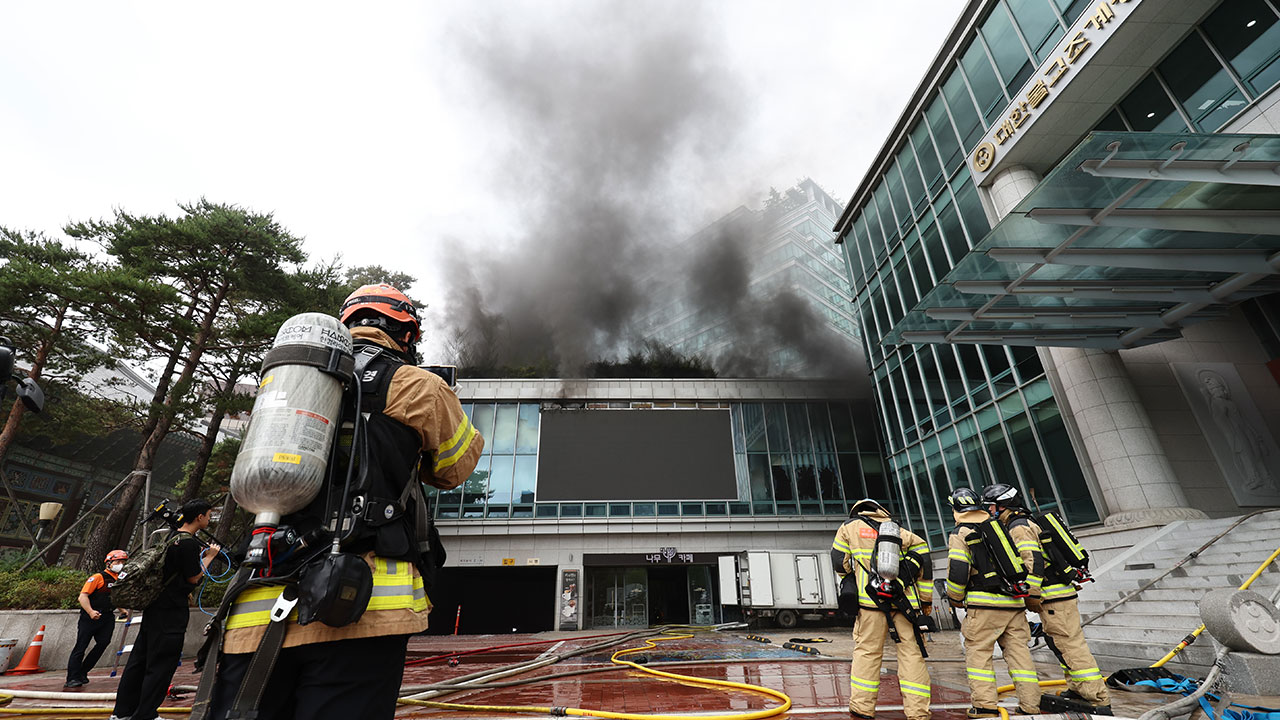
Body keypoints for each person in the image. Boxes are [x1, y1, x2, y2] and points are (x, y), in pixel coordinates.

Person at [206, 283, 484, 720]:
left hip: (255, 608)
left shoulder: (295, 382)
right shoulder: (417, 385)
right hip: (362, 606)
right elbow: (454, 469)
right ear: (407, 334)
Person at [982, 484, 1110, 713]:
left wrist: (1031, 595)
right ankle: (1078, 688)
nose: (990, 511)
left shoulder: (1019, 527)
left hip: (1054, 597)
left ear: (1003, 505)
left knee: (1070, 646)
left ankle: (1096, 697)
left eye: (992, 506)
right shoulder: (1023, 522)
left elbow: (1032, 561)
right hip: (1055, 597)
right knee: (1059, 644)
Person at [110, 499, 219, 720]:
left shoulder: (171, 538)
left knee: (139, 662)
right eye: (208, 515)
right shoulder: (188, 544)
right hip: (171, 612)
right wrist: (209, 558)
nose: (209, 519)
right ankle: (146, 714)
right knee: (161, 666)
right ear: (199, 517)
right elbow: (193, 578)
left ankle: (121, 713)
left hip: (154, 607)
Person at [831, 498, 932, 720]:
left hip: (871, 605)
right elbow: (924, 561)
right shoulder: (898, 530)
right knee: (911, 656)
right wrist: (925, 601)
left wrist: (851, 576)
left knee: (867, 653)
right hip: (905, 606)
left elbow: (839, 561)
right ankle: (918, 712)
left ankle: (862, 708)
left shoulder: (849, 528)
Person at [945, 487, 1040, 717]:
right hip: (1014, 604)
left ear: (956, 509)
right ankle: (1031, 705)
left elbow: (958, 570)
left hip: (983, 606)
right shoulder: (999, 527)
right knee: (1020, 657)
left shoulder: (961, 532)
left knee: (979, 656)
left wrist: (955, 598)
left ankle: (985, 706)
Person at [65, 550, 130, 688]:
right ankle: (72, 678)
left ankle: (83, 671)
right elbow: (83, 596)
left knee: (103, 643)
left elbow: (113, 598)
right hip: (90, 617)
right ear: (109, 563)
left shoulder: (119, 579)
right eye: (118, 561)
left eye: (123, 562)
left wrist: (122, 610)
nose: (120, 564)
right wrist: (90, 611)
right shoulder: (97, 577)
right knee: (81, 646)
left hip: (107, 617)